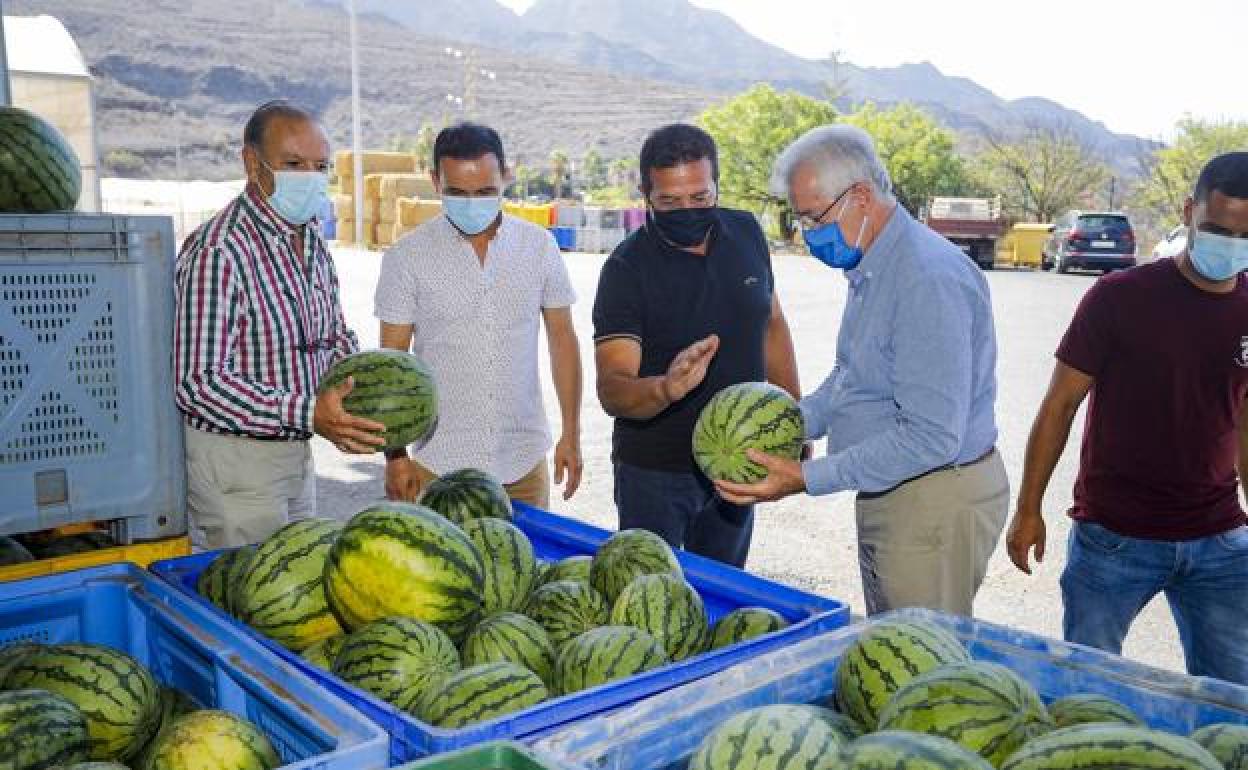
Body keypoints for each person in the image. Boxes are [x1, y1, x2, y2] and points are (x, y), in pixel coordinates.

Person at [716, 125, 1006, 616]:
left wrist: (807, 476)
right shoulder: (873, 264)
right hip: (897, 489)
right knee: (890, 641)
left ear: (862, 196)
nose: (808, 235)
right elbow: (851, 379)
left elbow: (931, 437)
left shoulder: (924, 280)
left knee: (918, 666)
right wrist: (784, 423)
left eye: (813, 218)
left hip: (931, 497)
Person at [1006, 152, 1248, 684]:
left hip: (1220, 541)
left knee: (1230, 699)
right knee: (1091, 693)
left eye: (1243, 235)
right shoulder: (1119, 297)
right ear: (1188, 212)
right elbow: (1059, 406)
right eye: (1216, 229)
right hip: (1114, 539)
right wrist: (1028, 509)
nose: (1228, 246)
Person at [173, 100, 384, 548]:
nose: (310, 177)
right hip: (237, 464)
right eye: (293, 164)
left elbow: (331, 336)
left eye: (320, 166)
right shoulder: (221, 251)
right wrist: (309, 411)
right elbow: (199, 384)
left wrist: (361, 390)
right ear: (253, 163)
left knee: (292, 596)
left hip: (296, 452)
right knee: (248, 596)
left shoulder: (308, 238)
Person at [592, 123, 800, 568]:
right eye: (669, 201)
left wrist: (793, 412)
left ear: (717, 186)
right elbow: (613, 387)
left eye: (700, 198)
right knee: (648, 602)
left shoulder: (745, 233)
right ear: (646, 194)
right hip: (654, 471)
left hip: (736, 460)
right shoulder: (626, 269)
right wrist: (665, 388)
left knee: (723, 595)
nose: (686, 209)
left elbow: (773, 325)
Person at [375, 122, 582, 509]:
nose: (472, 203)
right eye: (457, 192)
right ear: (435, 181)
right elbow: (392, 366)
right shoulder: (406, 257)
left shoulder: (539, 247)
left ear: (506, 176)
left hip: (523, 463)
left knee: (525, 565)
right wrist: (396, 456)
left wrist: (571, 433)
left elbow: (563, 339)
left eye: (486, 191)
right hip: (439, 467)